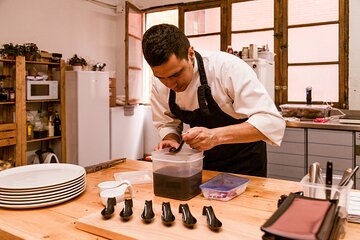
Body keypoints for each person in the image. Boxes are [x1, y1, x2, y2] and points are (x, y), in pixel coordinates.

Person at [142, 24, 285, 177]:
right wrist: (170, 138)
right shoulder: (159, 83)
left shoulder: (228, 68)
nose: (170, 84)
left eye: (176, 74)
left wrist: (215, 136)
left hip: (246, 164)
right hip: (203, 164)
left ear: (190, 54)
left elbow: (271, 121)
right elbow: (167, 122)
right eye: (161, 77)